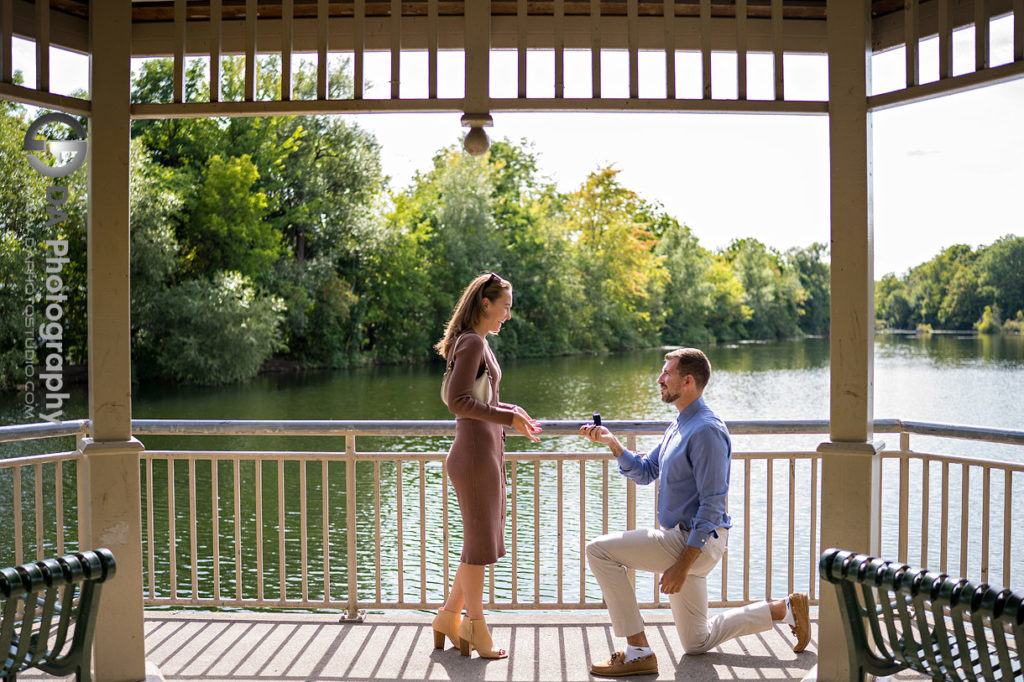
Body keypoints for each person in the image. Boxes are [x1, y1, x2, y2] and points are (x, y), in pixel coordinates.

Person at [579, 348, 810, 677]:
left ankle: (638, 650)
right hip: (682, 538)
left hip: (693, 541)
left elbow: (713, 505)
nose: (660, 379)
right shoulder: (680, 424)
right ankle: (783, 609)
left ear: (687, 381)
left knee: (598, 550)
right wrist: (613, 444)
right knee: (696, 642)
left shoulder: (706, 431)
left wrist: (682, 565)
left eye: (666, 374)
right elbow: (646, 471)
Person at [431, 272, 542, 659]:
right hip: (475, 456)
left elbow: (481, 400)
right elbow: (458, 403)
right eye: (505, 307)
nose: (507, 316)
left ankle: (448, 617)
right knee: (478, 547)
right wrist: (507, 418)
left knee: (479, 543)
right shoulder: (472, 342)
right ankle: (475, 628)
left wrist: (512, 411)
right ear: (485, 303)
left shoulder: (479, 342)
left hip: (486, 454)